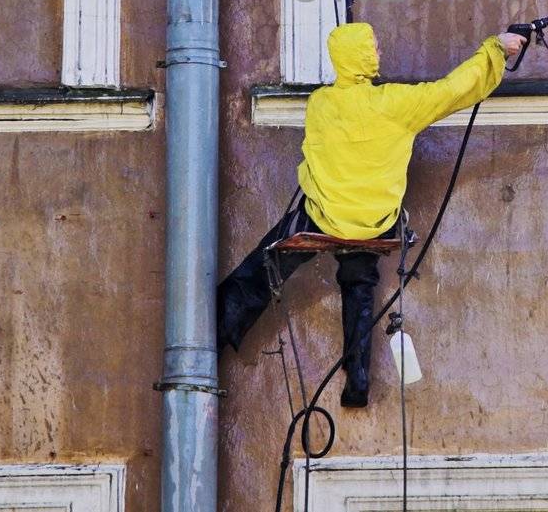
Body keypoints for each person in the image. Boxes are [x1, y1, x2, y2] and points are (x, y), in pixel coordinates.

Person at [217, 21, 527, 407]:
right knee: (359, 284)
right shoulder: (395, 104)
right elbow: (454, 89)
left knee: (265, 265)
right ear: (361, 55)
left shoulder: (322, 104)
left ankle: (213, 334)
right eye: (374, 47)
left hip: (324, 217)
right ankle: (357, 383)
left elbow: (315, 159)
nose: (379, 53)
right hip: (374, 224)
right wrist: (495, 49)